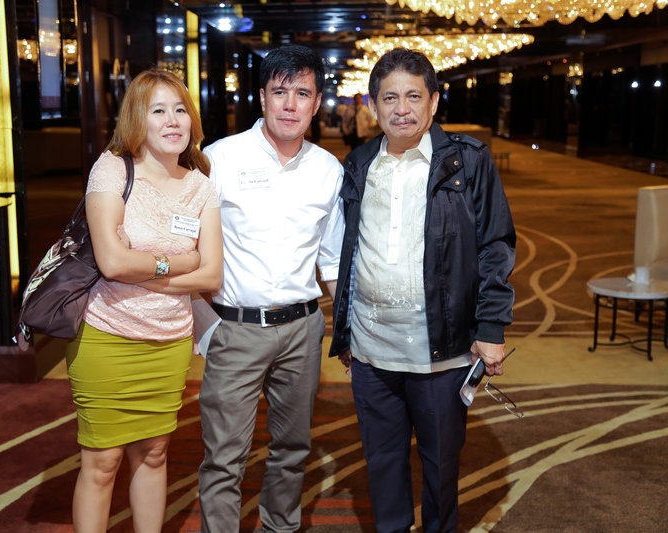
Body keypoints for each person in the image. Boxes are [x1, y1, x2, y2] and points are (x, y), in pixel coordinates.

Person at [329, 48, 516, 533]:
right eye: (389, 97)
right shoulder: (359, 163)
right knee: (383, 464)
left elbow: (495, 245)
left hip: (442, 351)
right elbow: (346, 250)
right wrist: (345, 329)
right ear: (373, 104)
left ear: (433, 101)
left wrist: (491, 327)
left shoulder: (466, 160)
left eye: (413, 96)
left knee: (440, 468)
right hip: (371, 350)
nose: (402, 109)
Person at [67, 69, 223, 533]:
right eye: (158, 110)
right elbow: (112, 263)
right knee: (102, 461)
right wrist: (181, 263)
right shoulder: (113, 169)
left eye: (180, 110)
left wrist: (144, 268)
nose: (173, 120)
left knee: (154, 453)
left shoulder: (201, 184)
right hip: (107, 335)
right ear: (138, 118)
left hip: (170, 340)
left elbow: (211, 275)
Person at [197, 44, 344, 533]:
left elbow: (331, 259)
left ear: (316, 103)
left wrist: (347, 327)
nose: (289, 104)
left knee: (293, 448)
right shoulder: (220, 159)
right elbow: (189, 247)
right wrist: (204, 329)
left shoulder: (328, 169)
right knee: (224, 456)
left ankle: (281, 526)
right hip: (236, 329)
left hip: (303, 329)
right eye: (280, 92)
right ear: (262, 97)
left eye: (302, 93)